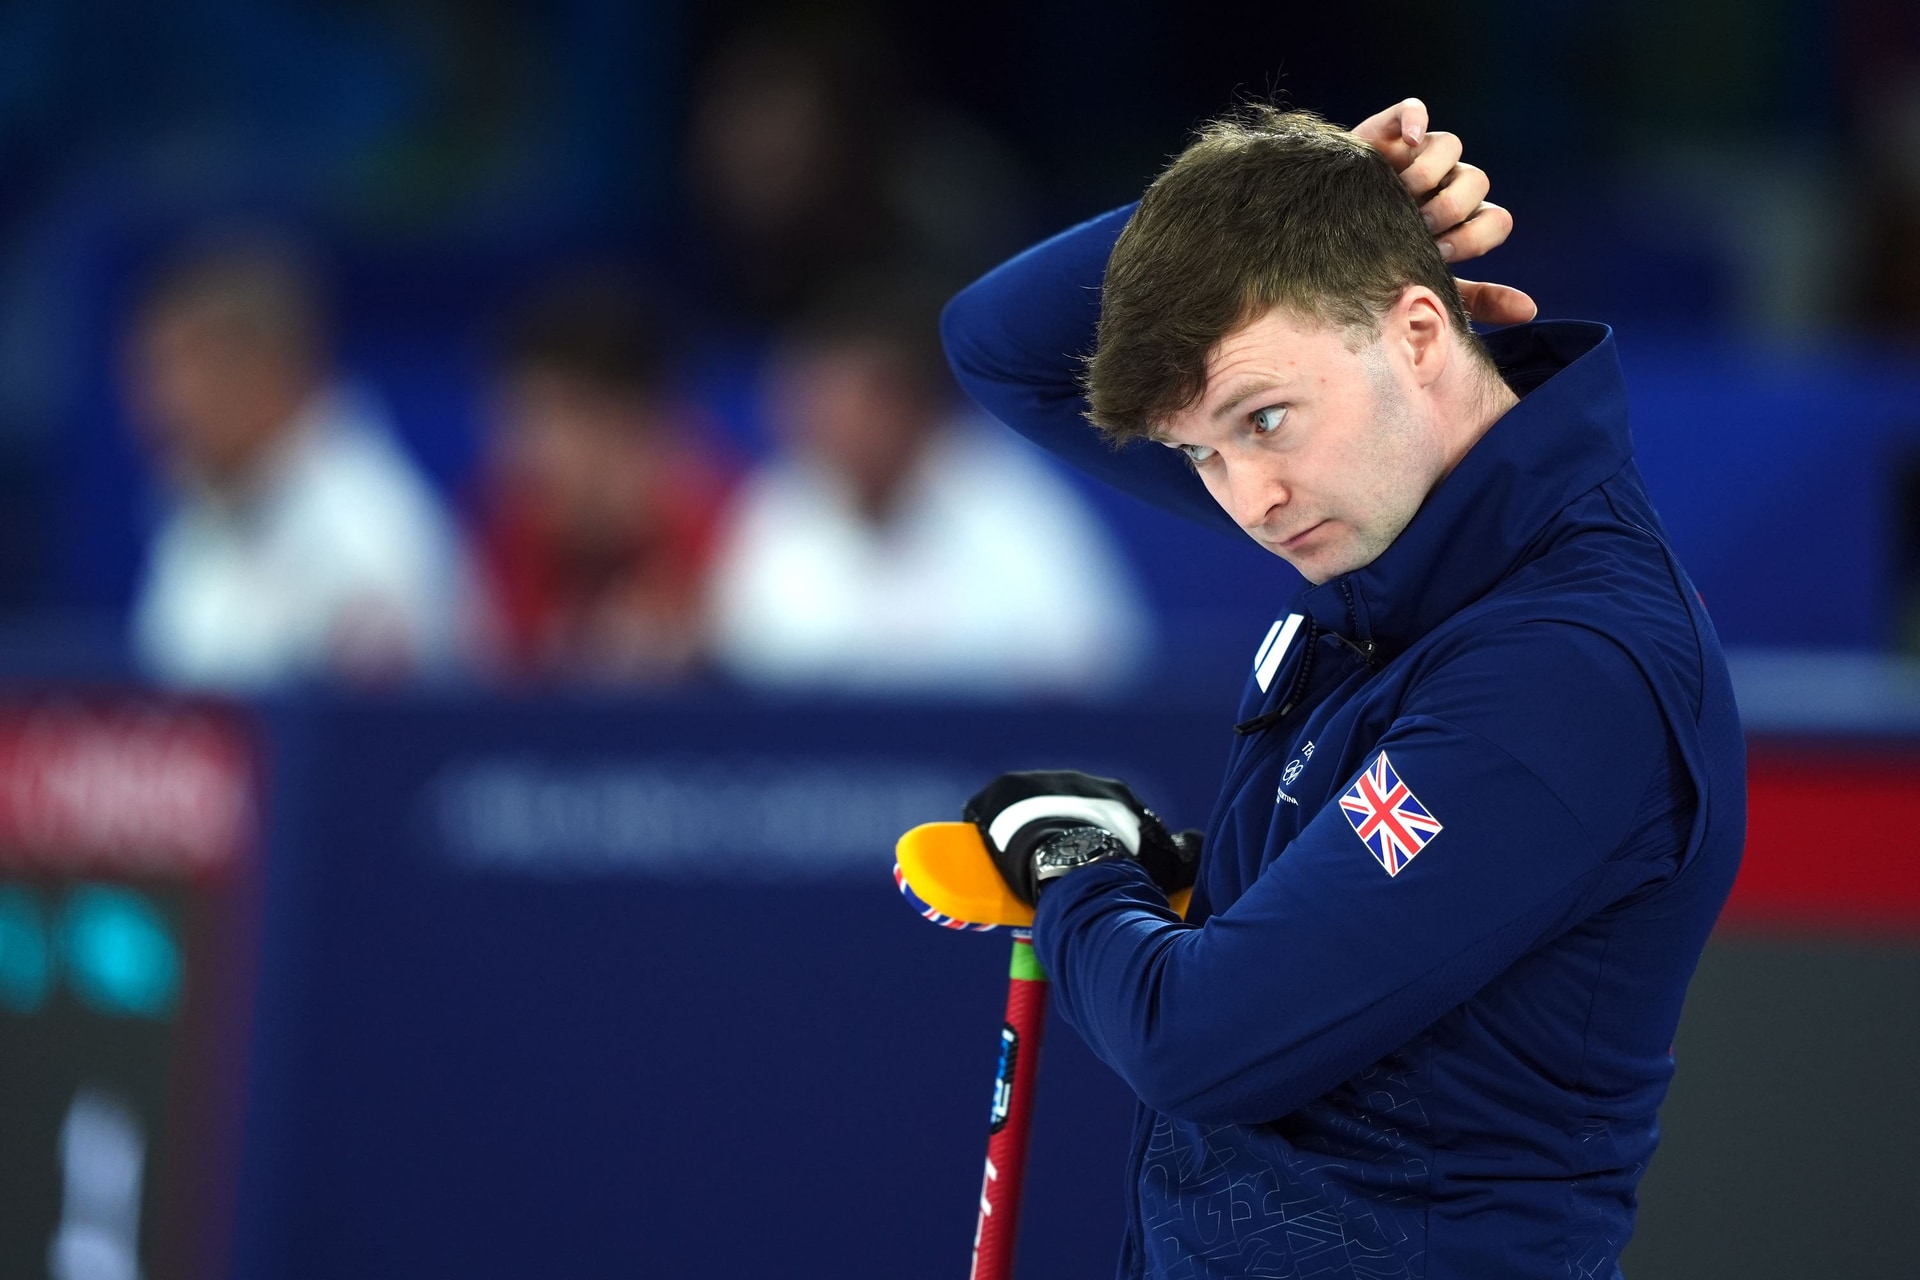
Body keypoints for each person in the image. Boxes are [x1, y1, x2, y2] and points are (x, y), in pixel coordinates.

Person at [940, 100, 1745, 1278]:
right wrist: (1315, 187)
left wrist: (1075, 870)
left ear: (1420, 332)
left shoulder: (1568, 665)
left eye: (1265, 420)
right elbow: (998, 343)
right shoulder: (1366, 514)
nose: (1250, 497)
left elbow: (1198, 1039)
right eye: (1200, 453)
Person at [706, 281, 1150, 694]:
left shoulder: (1006, 498)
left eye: (860, 402)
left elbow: (1098, 660)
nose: (833, 424)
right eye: (818, 403)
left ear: (915, 407)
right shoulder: (777, 501)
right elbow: (737, 667)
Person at [126, 236, 475, 690]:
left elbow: (387, 743)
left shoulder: (369, 531)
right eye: (155, 371)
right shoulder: (192, 512)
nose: (165, 403)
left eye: (190, 369)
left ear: (273, 369)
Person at [474, 274, 732, 684]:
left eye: (546, 421)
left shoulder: (737, 547)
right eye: (511, 424)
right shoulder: (502, 541)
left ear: (629, 423)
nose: (520, 454)